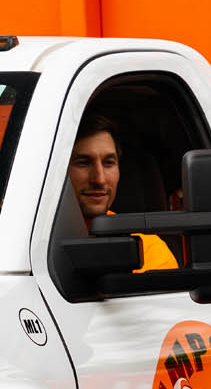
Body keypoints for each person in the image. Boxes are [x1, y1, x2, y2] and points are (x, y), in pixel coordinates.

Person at [67, 114, 178, 272]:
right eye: (83, 163)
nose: (99, 179)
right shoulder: (26, 244)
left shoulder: (148, 251)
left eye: (108, 163)